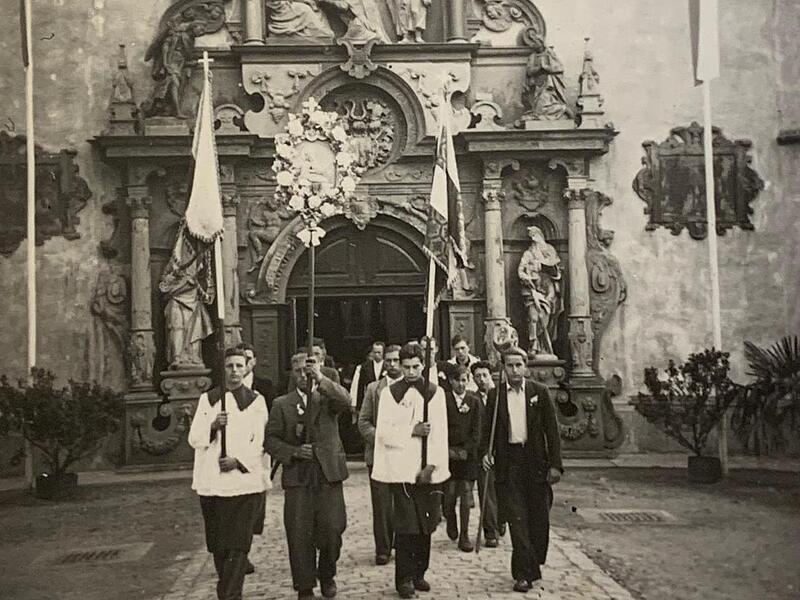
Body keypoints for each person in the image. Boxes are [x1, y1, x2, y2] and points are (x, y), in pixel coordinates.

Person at [265, 351, 351, 600]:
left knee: (332, 529)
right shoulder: (282, 404)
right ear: (293, 374)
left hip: (328, 473)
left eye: (308, 370)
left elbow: (346, 401)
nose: (304, 376)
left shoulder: (327, 398)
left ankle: (327, 574)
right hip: (298, 476)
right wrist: (292, 452)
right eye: (299, 371)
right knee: (300, 532)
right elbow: (270, 440)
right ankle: (304, 585)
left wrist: (321, 379)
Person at [187, 347, 268, 600]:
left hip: (243, 483)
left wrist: (238, 460)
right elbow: (194, 438)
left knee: (238, 544)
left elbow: (261, 441)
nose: (234, 371)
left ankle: (230, 594)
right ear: (223, 368)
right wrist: (212, 426)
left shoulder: (256, 401)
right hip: (213, 483)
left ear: (247, 368)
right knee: (219, 545)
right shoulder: (208, 400)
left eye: (239, 366)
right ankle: (228, 589)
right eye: (230, 366)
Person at [481, 347, 563, 593]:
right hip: (509, 463)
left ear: (526, 367)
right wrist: (486, 454)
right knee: (517, 521)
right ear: (503, 368)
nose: (514, 370)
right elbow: (488, 431)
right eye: (509, 366)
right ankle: (522, 575)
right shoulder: (496, 397)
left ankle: (532, 564)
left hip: (535, 462)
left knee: (538, 520)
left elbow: (552, 431)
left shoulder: (540, 392)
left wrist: (556, 465)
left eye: (518, 365)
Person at [372, 343, 449, 599]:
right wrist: (411, 430)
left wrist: (432, 465)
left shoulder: (434, 393)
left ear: (423, 365)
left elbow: (440, 433)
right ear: (399, 367)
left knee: (426, 524)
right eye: (407, 367)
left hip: (427, 469)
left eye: (416, 367)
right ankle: (403, 578)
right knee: (407, 526)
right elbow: (383, 431)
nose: (412, 372)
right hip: (401, 468)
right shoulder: (390, 394)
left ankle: (419, 573)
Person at [357, 344, 402, 565]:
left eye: (396, 360)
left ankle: (402, 544)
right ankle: (383, 547)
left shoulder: (412, 388)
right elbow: (363, 422)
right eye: (389, 360)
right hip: (379, 454)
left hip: (404, 454)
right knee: (382, 504)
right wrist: (381, 437)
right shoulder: (374, 389)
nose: (392, 364)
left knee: (403, 503)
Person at [236, 342, 275, 575]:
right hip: (234, 454)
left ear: (253, 362)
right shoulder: (222, 390)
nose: (244, 364)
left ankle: (246, 543)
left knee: (255, 501)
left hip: (259, 453)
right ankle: (241, 553)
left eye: (248, 358)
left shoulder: (265, 387)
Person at [442, 363, 481, 553]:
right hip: (448, 455)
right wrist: (447, 449)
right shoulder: (444, 400)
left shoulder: (474, 402)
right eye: (457, 380)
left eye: (464, 380)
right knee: (449, 495)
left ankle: (465, 534)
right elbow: (440, 427)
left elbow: (477, 430)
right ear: (450, 381)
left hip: (467, 456)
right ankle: (450, 518)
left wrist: (467, 450)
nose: (461, 384)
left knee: (466, 494)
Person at [471, 360, 502, 547]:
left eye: (484, 375)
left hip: (503, 451)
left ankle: (501, 521)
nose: (481, 380)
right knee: (486, 491)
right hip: (482, 452)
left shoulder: (500, 397)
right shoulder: (473, 399)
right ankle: (490, 532)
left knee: (502, 490)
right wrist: (484, 453)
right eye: (477, 377)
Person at [354, 341, 386, 413]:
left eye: (379, 352)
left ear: (383, 352)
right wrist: (359, 407)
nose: (377, 354)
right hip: (370, 400)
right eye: (375, 352)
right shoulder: (365, 367)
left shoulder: (387, 366)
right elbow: (361, 386)